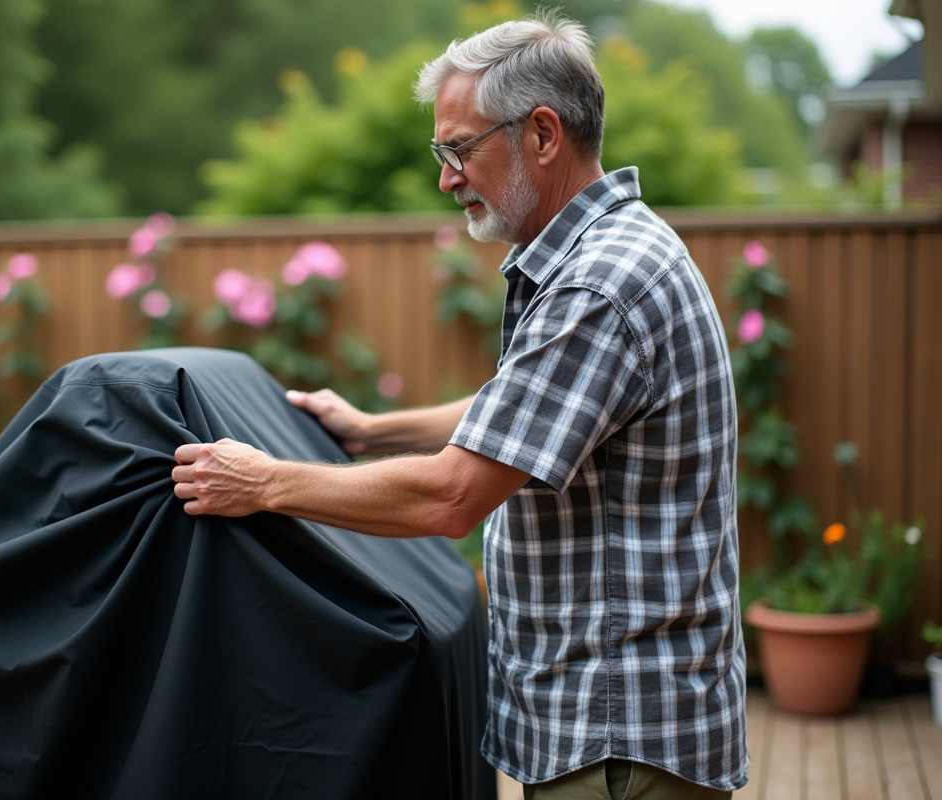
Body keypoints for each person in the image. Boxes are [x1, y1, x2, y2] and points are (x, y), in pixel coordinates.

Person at [172, 10, 747, 799]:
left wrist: (263, 482)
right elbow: (524, 409)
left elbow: (451, 497)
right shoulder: (615, 250)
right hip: (620, 722)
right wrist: (372, 430)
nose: (446, 177)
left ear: (543, 135)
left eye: (459, 148)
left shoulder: (595, 285)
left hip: (619, 732)